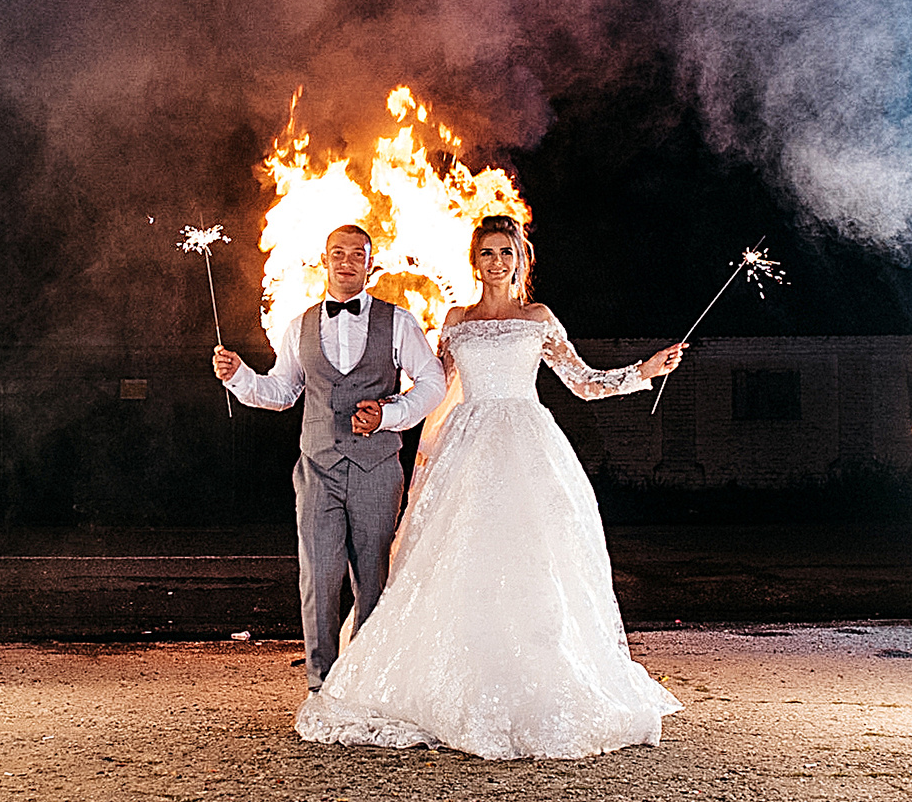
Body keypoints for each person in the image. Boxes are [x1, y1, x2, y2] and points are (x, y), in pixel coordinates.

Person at [294, 213, 687, 759]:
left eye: (506, 253)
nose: (496, 263)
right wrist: (390, 417)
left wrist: (642, 371)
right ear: (474, 260)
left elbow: (583, 382)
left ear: (520, 259)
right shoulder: (455, 320)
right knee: (458, 560)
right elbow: (433, 387)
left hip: (528, 444)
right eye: (487, 254)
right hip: (467, 446)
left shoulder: (539, 317)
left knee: (532, 563)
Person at [213, 223, 448, 691]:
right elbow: (281, 392)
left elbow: (434, 384)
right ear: (324, 260)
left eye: (356, 254)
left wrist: (388, 414)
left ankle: (370, 681)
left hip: (377, 469)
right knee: (318, 577)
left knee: (374, 577)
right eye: (336, 253)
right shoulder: (299, 326)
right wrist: (240, 377)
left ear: (370, 264)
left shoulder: (398, 321)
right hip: (317, 468)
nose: (345, 262)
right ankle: (321, 684)